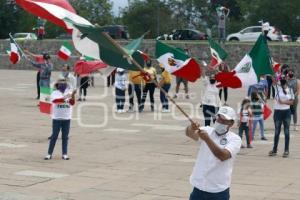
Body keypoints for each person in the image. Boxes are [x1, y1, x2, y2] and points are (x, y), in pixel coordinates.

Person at [186, 106, 241, 200]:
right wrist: (191, 128)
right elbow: (189, 134)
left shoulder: (235, 139)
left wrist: (207, 139)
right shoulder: (207, 130)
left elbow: (222, 156)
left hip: (218, 191)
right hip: (199, 187)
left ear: (231, 123)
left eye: (224, 121)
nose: (220, 123)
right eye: (219, 119)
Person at [44, 79, 76, 160]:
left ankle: (64, 154)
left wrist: (73, 95)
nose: (63, 85)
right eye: (61, 84)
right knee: (54, 136)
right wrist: (65, 98)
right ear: (57, 85)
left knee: (65, 137)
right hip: (57, 118)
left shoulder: (69, 92)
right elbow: (55, 101)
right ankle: (49, 153)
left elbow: (72, 103)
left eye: (64, 84)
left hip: (67, 118)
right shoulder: (54, 93)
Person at [269, 76, 294, 158]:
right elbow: (273, 81)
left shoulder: (290, 90)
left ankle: (286, 150)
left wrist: (283, 102)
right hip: (277, 112)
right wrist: (274, 76)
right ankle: (274, 149)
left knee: (286, 132)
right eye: (281, 80)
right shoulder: (277, 88)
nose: (282, 82)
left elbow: (292, 102)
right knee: (277, 132)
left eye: (283, 80)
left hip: (286, 112)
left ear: (286, 82)